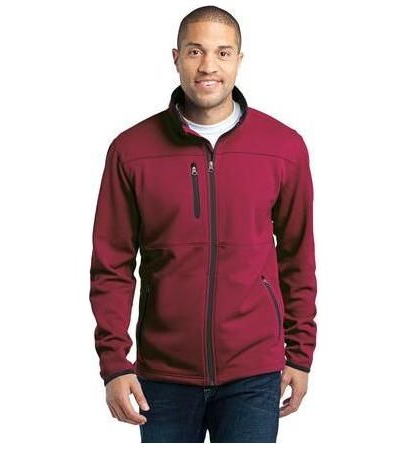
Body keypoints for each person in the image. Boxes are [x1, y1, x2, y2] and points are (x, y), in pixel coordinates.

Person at [89, 5, 317, 443]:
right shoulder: (131, 150)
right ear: (176, 58)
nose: (208, 65)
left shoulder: (283, 148)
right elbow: (111, 264)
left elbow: (298, 256)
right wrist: (114, 363)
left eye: (222, 52)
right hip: (163, 376)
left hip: (254, 372)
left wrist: (300, 354)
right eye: (195, 51)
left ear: (239, 60)